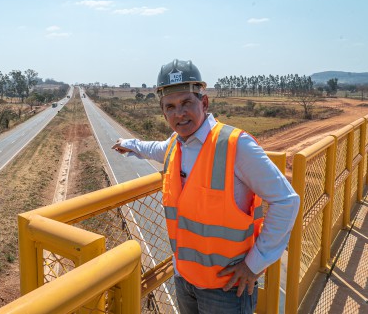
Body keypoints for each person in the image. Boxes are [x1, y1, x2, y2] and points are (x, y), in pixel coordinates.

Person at [111, 59, 299, 314]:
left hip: (228, 287)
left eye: (187, 103)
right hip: (184, 278)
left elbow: (286, 200)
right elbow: (153, 148)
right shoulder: (174, 146)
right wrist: (129, 143)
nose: (179, 113)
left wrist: (255, 264)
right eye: (171, 107)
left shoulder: (235, 145)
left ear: (204, 102)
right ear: (163, 112)